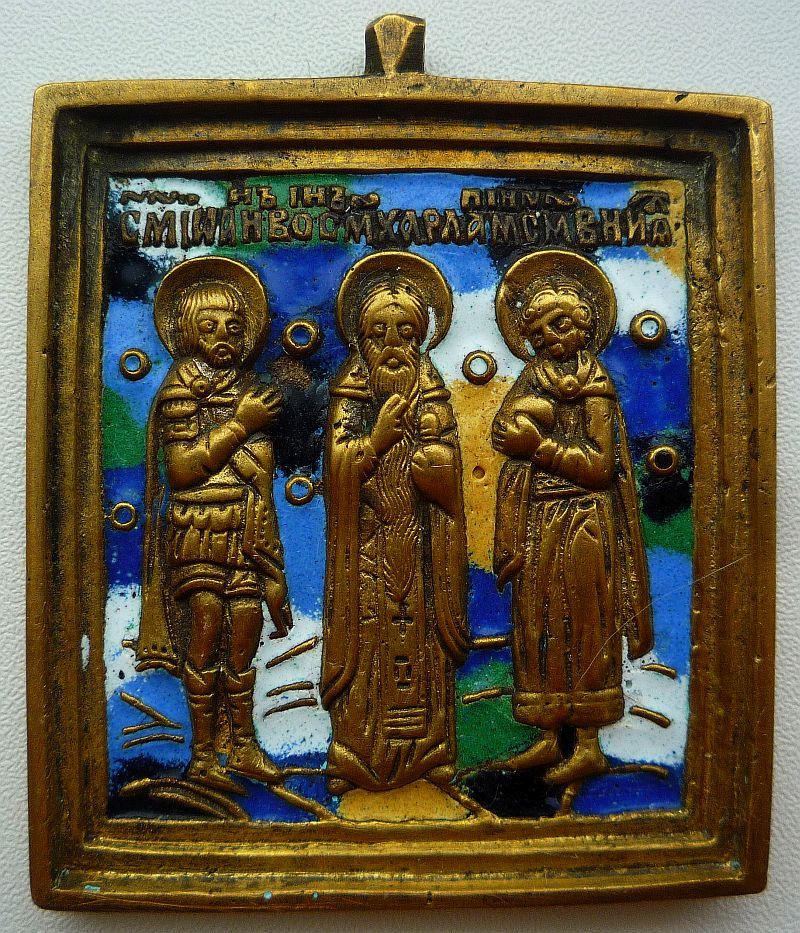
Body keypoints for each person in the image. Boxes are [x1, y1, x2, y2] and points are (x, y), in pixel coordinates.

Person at [492, 250, 653, 785]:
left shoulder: (594, 386)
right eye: (540, 329)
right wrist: (519, 434)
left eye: (561, 324)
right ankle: (545, 734)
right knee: (538, 622)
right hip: (539, 519)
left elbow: (601, 467)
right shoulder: (530, 379)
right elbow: (502, 433)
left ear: (584, 327)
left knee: (585, 623)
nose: (551, 337)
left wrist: (538, 446)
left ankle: (587, 744)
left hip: (585, 520)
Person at [135, 256, 292, 793]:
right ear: (186, 333)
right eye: (209, 326)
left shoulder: (247, 385)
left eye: (232, 325)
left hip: (245, 527)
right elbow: (182, 469)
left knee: (245, 630)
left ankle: (242, 744)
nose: (223, 335)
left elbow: (262, 463)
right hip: (198, 527)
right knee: (204, 631)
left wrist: (246, 445)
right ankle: (203, 754)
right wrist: (240, 427)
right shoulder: (182, 388)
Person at [321, 251, 469, 796]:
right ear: (360, 338)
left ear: (422, 337)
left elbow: (451, 478)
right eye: (378, 332)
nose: (391, 344)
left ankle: (429, 754)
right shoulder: (351, 389)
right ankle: (356, 756)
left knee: (422, 641)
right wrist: (378, 439)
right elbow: (338, 467)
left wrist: (437, 464)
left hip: (424, 547)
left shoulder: (431, 390)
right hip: (365, 548)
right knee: (368, 646)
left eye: (405, 332)